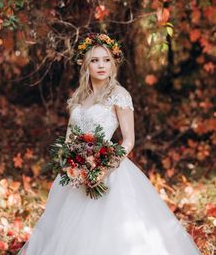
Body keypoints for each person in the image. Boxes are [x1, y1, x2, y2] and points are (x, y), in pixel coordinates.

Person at [17, 33, 201, 255]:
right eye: (94, 60)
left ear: (113, 63)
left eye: (106, 59)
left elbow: (129, 140)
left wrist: (103, 169)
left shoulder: (119, 95)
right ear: (86, 65)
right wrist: (71, 166)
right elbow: (69, 138)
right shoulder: (78, 96)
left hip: (109, 170)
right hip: (76, 173)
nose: (101, 65)